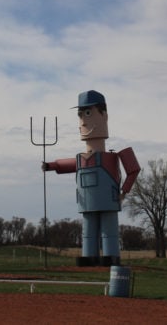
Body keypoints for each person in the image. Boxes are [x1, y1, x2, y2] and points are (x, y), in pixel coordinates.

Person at [43, 90, 140, 267]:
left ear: (105, 116)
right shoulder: (81, 158)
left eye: (88, 113)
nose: (83, 120)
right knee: (88, 231)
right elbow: (68, 165)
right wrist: (52, 165)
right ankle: (89, 257)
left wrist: (124, 192)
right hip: (86, 202)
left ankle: (111, 258)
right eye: (80, 115)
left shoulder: (112, 157)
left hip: (108, 200)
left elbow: (133, 169)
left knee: (109, 231)